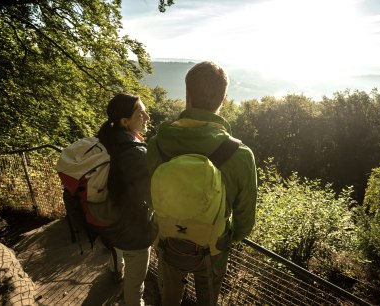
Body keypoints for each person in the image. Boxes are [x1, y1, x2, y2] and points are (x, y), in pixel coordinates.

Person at [146, 61, 257, 306]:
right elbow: (245, 220)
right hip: (213, 248)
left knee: (170, 298)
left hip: (167, 240)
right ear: (224, 99)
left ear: (187, 95)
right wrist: (226, 236)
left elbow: (149, 195)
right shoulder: (240, 155)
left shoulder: (156, 144)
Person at [90, 93, 156, 306]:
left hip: (108, 219)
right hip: (133, 231)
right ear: (125, 121)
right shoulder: (135, 153)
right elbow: (150, 196)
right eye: (140, 113)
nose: (147, 116)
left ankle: (115, 268)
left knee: (117, 247)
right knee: (135, 284)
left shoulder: (104, 139)